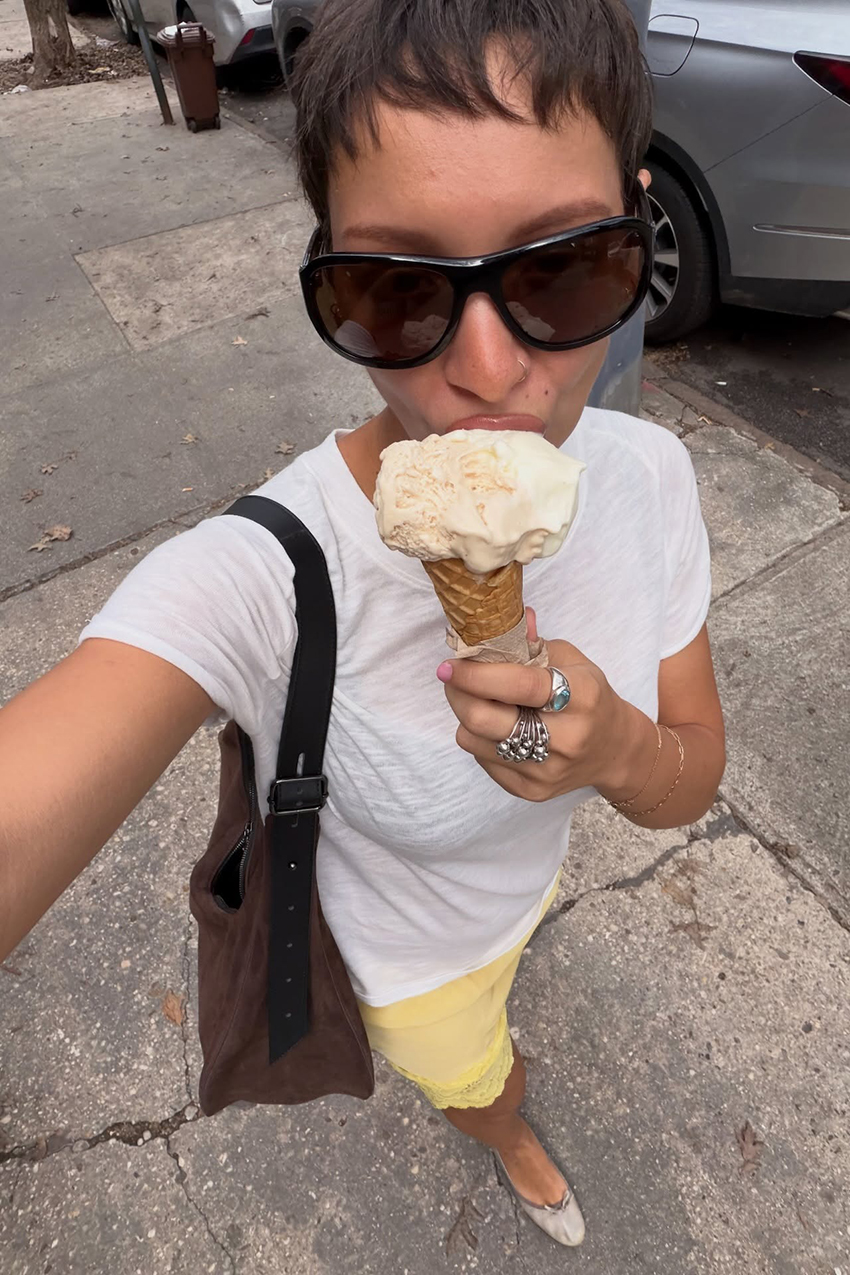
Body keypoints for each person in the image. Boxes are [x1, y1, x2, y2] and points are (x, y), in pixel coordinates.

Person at [0, 0, 725, 1248]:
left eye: (559, 265)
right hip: (412, 962)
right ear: (327, 270)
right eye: (394, 289)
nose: (491, 369)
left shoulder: (651, 472)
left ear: (638, 226)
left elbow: (688, 776)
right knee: (472, 1072)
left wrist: (613, 755)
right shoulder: (267, 569)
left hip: (528, 887)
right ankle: (507, 1132)